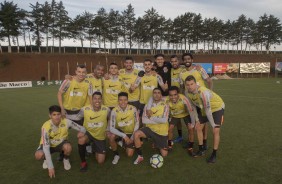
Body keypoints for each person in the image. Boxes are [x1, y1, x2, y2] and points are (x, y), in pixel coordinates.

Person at [34, 105, 86, 178]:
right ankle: (45, 159)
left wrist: (82, 132)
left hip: (61, 144)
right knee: (38, 155)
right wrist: (50, 167)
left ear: (61, 114)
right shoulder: (45, 126)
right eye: (54, 115)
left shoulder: (66, 122)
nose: (57, 117)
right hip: (48, 146)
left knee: (68, 147)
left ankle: (66, 159)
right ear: (50, 115)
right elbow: (46, 147)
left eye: (58, 114)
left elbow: (82, 128)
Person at [185, 75, 225, 163]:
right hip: (205, 109)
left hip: (217, 107)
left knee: (215, 131)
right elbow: (192, 108)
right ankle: (201, 150)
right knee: (198, 127)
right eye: (187, 84)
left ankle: (214, 154)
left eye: (192, 84)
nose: (190, 86)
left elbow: (208, 110)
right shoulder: (187, 93)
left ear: (196, 84)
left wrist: (213, 124)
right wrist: (196, 120)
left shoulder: (203, 92)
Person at [179, 53, 213, 150]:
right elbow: (181, 87)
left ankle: (204, 141)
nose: (187, 61)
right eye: (185, 59)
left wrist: (209, 94)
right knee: (192, 122)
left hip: (202, 100)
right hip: (190, 101)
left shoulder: (199, 69)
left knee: (204, 122)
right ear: (183, 61)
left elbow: (209, 81)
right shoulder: (181, 73)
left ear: (192, 60)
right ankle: (191, 141)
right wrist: (182, 98)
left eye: (189, 59)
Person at [133, 88, 169, 164]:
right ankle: (140, 156)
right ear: (152, 94)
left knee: (164, 154)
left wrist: (151, 118)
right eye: (155, 93)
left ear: (161, 95)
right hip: (150, 129)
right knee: (136, 134)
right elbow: (144, 120)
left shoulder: (165, 105)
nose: (156, 94)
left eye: (158, 93)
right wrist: (158, 120)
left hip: (161, 132)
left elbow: (164, 120)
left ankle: (157, 142)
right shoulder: (147, 106)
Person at [77, 91, 110, 171]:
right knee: (81, 139)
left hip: (100, 136)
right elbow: (78, 119)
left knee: (100, 161)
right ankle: (83, 162)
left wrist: (108, 128)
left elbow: (110, 119)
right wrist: (80, 130)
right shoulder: (84, 109)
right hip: (88, 133)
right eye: (95, 99)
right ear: (92, 100)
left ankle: (94, 147)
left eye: (99, 99)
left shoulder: (107, 109)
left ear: (102, 100)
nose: (97, 101)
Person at [108, 92, 139, 164]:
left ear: (128, 100)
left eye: (125, 100)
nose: (123, 102)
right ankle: (116, 155)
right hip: (120, 132)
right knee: (111, 136)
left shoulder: (133, 108)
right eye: (120, 100)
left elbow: (137, 123)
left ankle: (122, 142)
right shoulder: (114, 111)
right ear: (118, 101)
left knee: (129, 154)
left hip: (130, 133)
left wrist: (132, 137)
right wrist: (124, 136)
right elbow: (111, 128)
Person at [166, 86, 197, 156]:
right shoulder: (166, 100)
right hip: (175, 116)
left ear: (178, 94)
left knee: (191, 129)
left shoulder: (184, 99)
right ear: (168, 95)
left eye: (175, 94)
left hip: (186, 114)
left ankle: (190, 147)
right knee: (170, 129)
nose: (173, 97)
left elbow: (191, 111)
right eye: (171, 95)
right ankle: (169, 145)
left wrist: (193, 123)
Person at [170, 55, 185, 143]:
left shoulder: (182, 70)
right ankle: (180, 136)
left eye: (175, 61)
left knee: (186, 118)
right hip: (172, 97)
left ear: (178, 61)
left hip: (181, 97)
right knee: (177, 117)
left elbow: (182, 86)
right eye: (172, 61)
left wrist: (181, 96)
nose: (174, 63)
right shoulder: (170, 69)